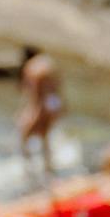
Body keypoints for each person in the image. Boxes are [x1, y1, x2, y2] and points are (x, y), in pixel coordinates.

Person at [16, 48, 64, 189]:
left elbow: (35, 96)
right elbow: (58, 85)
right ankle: (49, 170)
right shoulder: (48, 63)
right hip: (54, 102)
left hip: (42, 104)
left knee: (24, 137)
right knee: (46, 137)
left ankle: (29, 172)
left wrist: (30, 114)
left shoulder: (31, 68)